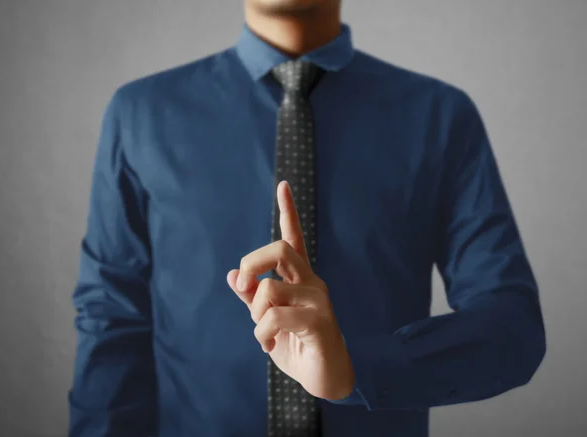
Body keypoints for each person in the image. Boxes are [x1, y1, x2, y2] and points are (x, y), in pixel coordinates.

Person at [67, 0, 547, 436]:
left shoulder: (441, 117)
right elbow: (112, 321)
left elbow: (512, 325)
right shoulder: (140, 115)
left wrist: (357, 368)